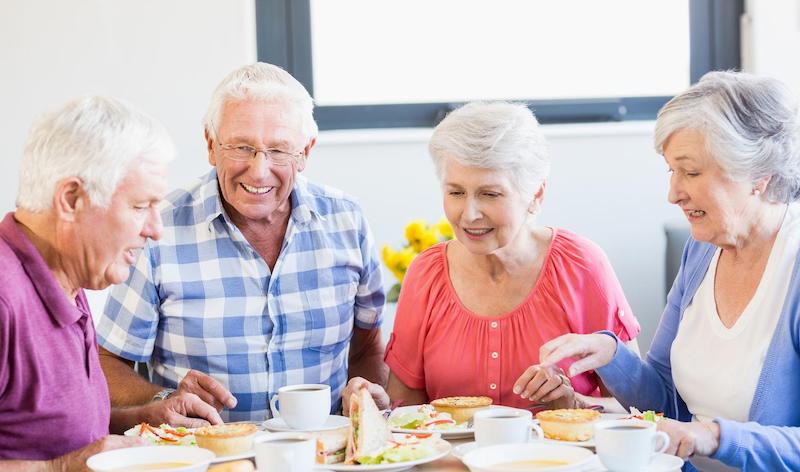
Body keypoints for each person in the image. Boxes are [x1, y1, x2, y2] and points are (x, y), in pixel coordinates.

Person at [96, 62, 388, 422]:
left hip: (322, 455)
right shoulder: (159, 228)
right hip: (205, 456)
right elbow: (105, 362)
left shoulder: (346, 221)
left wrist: (366, 404)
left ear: (306, 152)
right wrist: (165, 397)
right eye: (241, 147)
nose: (259, 170)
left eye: (279, 150)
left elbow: (367, 350)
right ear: (210, 144)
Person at [540, 71, 800, 471]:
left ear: (758, 175)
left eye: (691, 172)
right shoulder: (701, 250)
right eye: (670, 171)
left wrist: (712, 436)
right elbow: (663, 401)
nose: (673, 193)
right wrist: (611, 355)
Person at [344, 102, 641, 413]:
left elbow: (639, 409)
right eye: (456, 193)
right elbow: (407, 411)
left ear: (536, 195)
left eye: (490, 194)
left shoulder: (582, 266)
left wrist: (575, 405)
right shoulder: (425, 273)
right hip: (452, 462)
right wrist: (380, 407)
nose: (470, 214)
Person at [0, 97, 222, 468]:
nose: (155, 230)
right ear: (71, 199)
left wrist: (145, 418)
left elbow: (58, 432)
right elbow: (62, 456)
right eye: (140, 207)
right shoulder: (6, 297)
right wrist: (61, 467)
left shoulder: (69, 277)